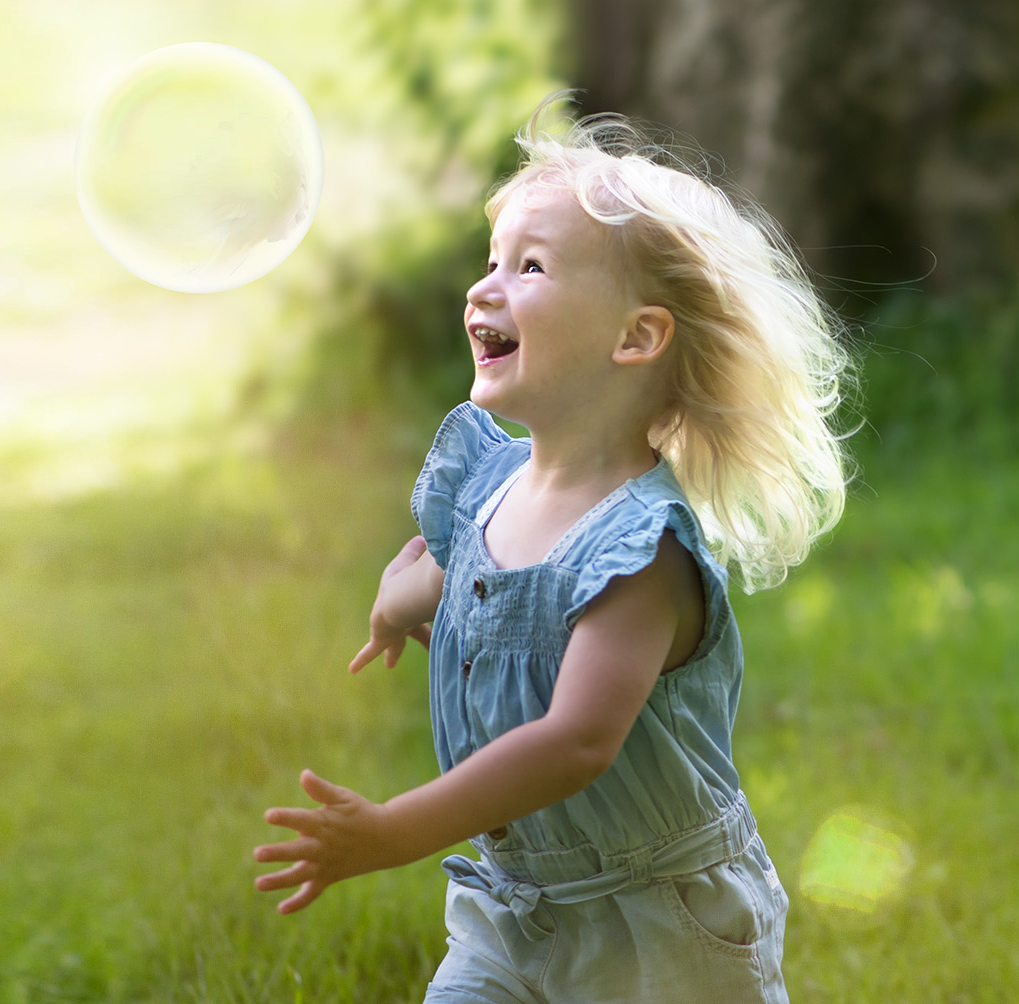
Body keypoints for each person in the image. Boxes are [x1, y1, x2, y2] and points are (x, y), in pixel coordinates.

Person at [252, 95, 853, 1003]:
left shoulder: (640, 552)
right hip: (512, 908)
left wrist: (394, 832)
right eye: (490, 263)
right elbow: (468, 579)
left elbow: (575, 742)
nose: (483, 288)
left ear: (636, 336)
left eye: (529, 267)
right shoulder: (491, 485)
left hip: (660, 929)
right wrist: (399, 600)